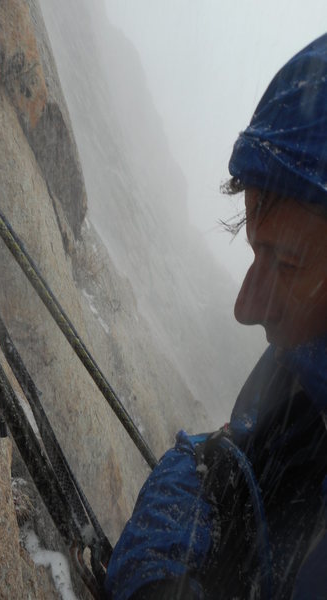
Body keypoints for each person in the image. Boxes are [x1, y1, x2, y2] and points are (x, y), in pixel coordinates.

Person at [104, 34, 327, 600]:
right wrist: (162, 576)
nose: (246, 306)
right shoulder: (300, 377)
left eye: (289, 262)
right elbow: (218, 467)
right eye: (257, 251)